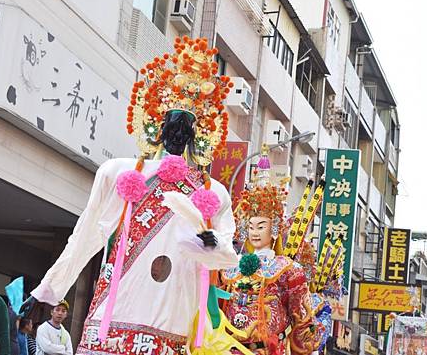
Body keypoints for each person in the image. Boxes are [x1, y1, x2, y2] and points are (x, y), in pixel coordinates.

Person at [20, 36, 238, 355]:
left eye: (185, 129)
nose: (177, 133)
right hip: (118, 305)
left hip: (171, 316)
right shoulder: (119, 172)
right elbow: (84, 236)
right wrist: (47, 290)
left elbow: (227, 253)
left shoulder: (212, 192)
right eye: (171, 125)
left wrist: (212, 243)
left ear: (197, 136)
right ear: (156, 128)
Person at [221, 148, 318, 355]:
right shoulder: (230, 266)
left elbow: (300, 315)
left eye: (261, 226)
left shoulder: (288, 270)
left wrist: (305, 339)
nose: (255, 232)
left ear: (273, 230)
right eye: (252, 226)